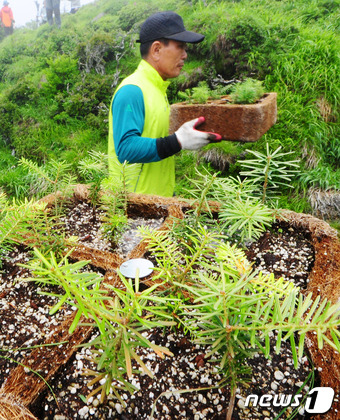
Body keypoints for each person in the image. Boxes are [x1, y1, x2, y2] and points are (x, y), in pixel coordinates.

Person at [108, 11, 221, 197]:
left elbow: (156, 139)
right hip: (132, 210)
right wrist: (177, 141)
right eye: (180, 47)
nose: (185, 55)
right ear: (157, 50)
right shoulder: (132, 90)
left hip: (156, 204)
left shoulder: (157, 89)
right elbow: (125, 149)